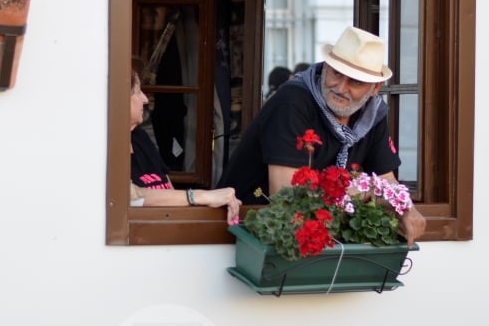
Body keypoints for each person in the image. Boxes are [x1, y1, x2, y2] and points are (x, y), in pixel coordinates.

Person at [218, 26, 426, 244]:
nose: (341, 88)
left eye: (355, 81)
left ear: (375, 88)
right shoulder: (292, 103)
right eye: (337, 73)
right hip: (249, 235)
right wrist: (361, 192)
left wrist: (406, 209)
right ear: (326, 66)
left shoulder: (373, 113)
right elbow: (285, 197)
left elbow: (385, 179)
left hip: (317, 239)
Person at [129, 64, 241, 224]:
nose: (145, 99)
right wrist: (201, 196)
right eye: (138, 91)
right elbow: (130, 196)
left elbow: (168, 191)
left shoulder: (140, 137)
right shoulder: (106, 147)